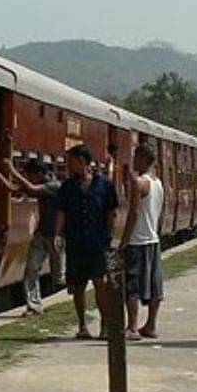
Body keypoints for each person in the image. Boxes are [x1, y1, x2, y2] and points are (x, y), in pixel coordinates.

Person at [55, 144, 119, 339]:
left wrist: (109, 237)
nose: (68, 166)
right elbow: (61, 211)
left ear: (81, 161)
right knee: (78, 286)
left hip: (98, 242)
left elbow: (111, 213)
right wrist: (58, 234)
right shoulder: (67, 186)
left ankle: (105, 326)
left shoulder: (104, 185)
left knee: (100, 283)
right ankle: (82, 325)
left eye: (70, 161)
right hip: (75, 242)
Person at [0, 157, 63, 315]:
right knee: (31, 269)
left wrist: (12, 170)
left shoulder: (53, 186)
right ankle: (34, 305)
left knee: (59, 276)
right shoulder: (40, 184)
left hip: (57, 236)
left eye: (30, 176)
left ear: (40, 174)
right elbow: (14, 189)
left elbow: (32, 190)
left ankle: (68, 301)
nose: (29, 179)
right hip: (41, 234)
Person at [120, 143, 164, 340]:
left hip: (137, 241)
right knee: (155, 286)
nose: (133, 161)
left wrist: (124, 240)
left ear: (144, 158)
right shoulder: (158, 183)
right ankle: (151, 325)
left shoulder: (140, 183)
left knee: (132, 285)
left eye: (136, 157)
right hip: (153, 239)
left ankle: (132, 327)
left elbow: (134, 212)